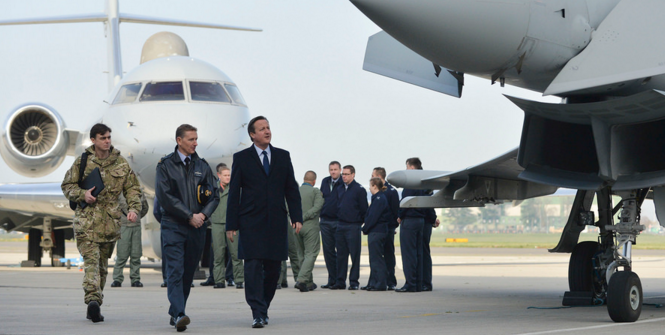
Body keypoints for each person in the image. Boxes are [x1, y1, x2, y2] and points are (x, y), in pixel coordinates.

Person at [226, 115, 302, 329]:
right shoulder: (241, 158)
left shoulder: (282, 156)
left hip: (276, 221)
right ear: (252, 135)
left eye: (268, 128)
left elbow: (291, 189)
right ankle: (257, 312)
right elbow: (234, 193)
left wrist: (296, 216)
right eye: (262, 129)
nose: (267, 131)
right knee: (251, 267)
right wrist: (231, 224)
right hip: (250, 221)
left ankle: (263, 306)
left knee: (273, 270)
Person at [61, 123, 142, 323]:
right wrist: (82, 194)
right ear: (93, 140)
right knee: (92, 263)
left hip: (110, 223)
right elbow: (67, 185)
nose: (107, 141)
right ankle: (92, 300)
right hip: (86, 222)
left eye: (108, 137)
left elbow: (132, 188)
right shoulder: (83, 162)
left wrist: (133, 209)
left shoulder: (121, 163)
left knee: (103, 267)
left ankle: (95, 302)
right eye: (103, 138)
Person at [156, 124, 220, 332]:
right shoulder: (165, 165)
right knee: (175, 270)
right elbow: (165, 197)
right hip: (173, 226)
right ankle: (180, 314)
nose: (196, 143)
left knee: (188, 273)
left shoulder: (202, 165)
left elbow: (214, 195)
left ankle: (175, 311)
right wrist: (188, 215)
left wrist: (202, 215)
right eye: (191, 139)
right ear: (179, 141)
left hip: (197, 227)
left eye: (196, 139)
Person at [396, 157, 435, 293]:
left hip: (410, 220)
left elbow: (406, 201)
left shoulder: (411, 183)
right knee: (419, 253)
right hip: (421, 221)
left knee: (409, 254)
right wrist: (432, 218)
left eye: (407, 167)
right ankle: (419, 283)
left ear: (411, 168)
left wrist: (399, 215)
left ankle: (411, 283)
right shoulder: (425, 184)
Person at [332, 165, 367, 290]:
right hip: (340, 225)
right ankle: (340, 281)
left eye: (347, 174)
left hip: (353, 226)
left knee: (354, 255)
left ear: (353, 175)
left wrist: (359, 223)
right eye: (343, 174)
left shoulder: (359, 189)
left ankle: (354, 282)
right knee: (341, 255)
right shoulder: (340, 188)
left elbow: (364, 210)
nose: (344, 177)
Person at [210, 164, 244, 289]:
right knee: (218, 254)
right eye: (225, 175)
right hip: (217, 224)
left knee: (236, 254)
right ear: (219, 175)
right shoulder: (213, 189)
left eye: (229, 175)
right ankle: (219, 280)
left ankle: (239, 280)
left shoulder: (235, 189)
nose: (228, 178)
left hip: (232, 225)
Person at [111, 192, 149, 288]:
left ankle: (135, 279)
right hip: (124, 226)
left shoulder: (139, 192)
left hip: (136, 226)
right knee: (122, 254)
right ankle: (117, 279)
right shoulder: (119, 192)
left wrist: (137, 217)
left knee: (136, 254)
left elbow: (145, 208)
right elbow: (113, 208)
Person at [294, 171, 324, 292]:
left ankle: (308, 282)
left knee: (301, 254)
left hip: (295, 227)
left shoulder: (295, 191)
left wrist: (296, 219)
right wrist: (305, 216)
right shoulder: (315, 191)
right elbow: (318, 206)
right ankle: (301, 280)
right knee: (311, 253)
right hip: (310, 226)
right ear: (314, 181)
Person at [371, 167, 400, 290]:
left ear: (378, 176)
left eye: (373, 175)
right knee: (377, 256)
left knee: (388, 255)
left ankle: (391, 281)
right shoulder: (377, 191)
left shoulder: (391, 191)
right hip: (378, 229)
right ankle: (376, 280)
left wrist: (392, 226)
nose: (371, 177)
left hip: (387, 229)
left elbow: (395, 211)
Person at [362, 178, 391, 291]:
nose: (369, 188)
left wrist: (365, 228)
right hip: (376, 231)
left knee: (377, 259)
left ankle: (380, 283)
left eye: (370, 185)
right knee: (374, 258)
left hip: (377, 231)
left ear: (375, 186)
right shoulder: (378, 198)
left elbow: (373, 217)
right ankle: (373, 282)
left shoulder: (379, 199)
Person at [319, 161, 342, 289]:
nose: (333, 172)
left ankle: (340, 279)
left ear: (340, 170)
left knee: (340, 252)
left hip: (338, 221)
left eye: (335, 169)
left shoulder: (342, 183)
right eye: (331, 169)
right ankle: (331, 279)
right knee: (328, 252)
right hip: (325, 221)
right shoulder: (325, 181)